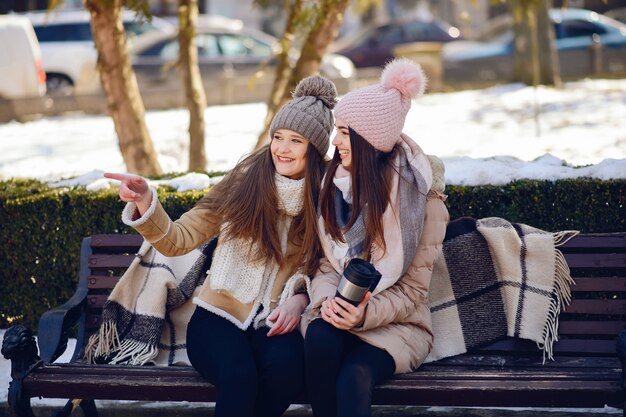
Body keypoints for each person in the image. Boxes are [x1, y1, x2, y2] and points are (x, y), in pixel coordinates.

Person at [104, 74, 337, 417]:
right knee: (239, 378)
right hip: (217, 317)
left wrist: (299, 298)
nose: (282, 149)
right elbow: (177, 238)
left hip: (274, 319)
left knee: (288, 371)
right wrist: (145, 201)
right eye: (278, 137)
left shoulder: (326, 198)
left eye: (295, 141)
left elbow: (323, 265)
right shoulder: (244, 184)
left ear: (314, 150)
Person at [301, 58, 449, 417]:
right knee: (320, 339)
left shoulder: (421, 203)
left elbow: (414, 291)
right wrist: (329, 304)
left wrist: (364, 314)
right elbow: (324, 265)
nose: (335, 141)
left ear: (369, 141)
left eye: (345, 133)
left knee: (353, 377)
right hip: (338, 313)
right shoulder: (332, 186)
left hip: (396, 324)